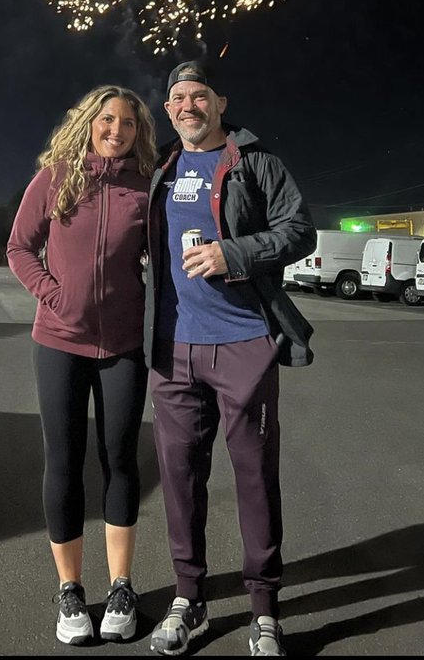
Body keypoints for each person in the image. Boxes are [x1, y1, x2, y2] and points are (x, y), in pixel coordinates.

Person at [145, 60, 317, 657]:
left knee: (254, 478)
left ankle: (265, 610)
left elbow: (301, 231)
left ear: (219, 102)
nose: (187, 106)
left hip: (244, 342)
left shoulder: (255, 162)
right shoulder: (160, 169)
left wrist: (233, 254)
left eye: (198, 96)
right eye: (176, 99)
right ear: (168, 110)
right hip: (172, 349)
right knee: (181, 481)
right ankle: (188, 600)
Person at [7, 85, 157, 646]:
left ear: (138, 130)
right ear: (88, 123)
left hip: (122, 346)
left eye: (127, 122)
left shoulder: (145, 188)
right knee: (63, 461)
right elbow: (19, 247)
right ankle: (70, 590)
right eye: (106, 120)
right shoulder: (56, 177)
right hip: (59, 342)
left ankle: (121, 586)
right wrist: (53, 295)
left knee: (120, 458)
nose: (116, 129)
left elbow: (163, 261)